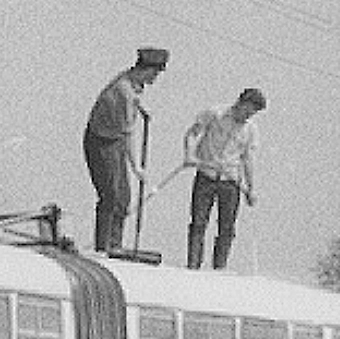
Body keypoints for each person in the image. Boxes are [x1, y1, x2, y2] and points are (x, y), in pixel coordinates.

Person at [83, 47, 168, 253]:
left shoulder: (131, 83)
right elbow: (128, 133)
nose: (156, 78)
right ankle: (104, 247)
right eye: (155, 73)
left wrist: (140, 108)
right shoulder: (125, 92)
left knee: (123, 197)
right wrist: (136, 167)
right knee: (111, 195)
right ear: (146, 70)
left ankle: (115, 245)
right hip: (101, 142)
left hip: (113, 140)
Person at [182, 86, 266, 270]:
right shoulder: (215, 113)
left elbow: (248, 159)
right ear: (240, 102)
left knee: (227, 228)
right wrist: (189, 154)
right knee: (198, 222)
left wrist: (251, 189)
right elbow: (191, 133)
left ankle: (219, 268)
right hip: (206, 174)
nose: (248, 116)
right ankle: (193, 266)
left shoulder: (250, 130)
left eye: (252, 114)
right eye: (248, 110)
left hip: (230, 181)